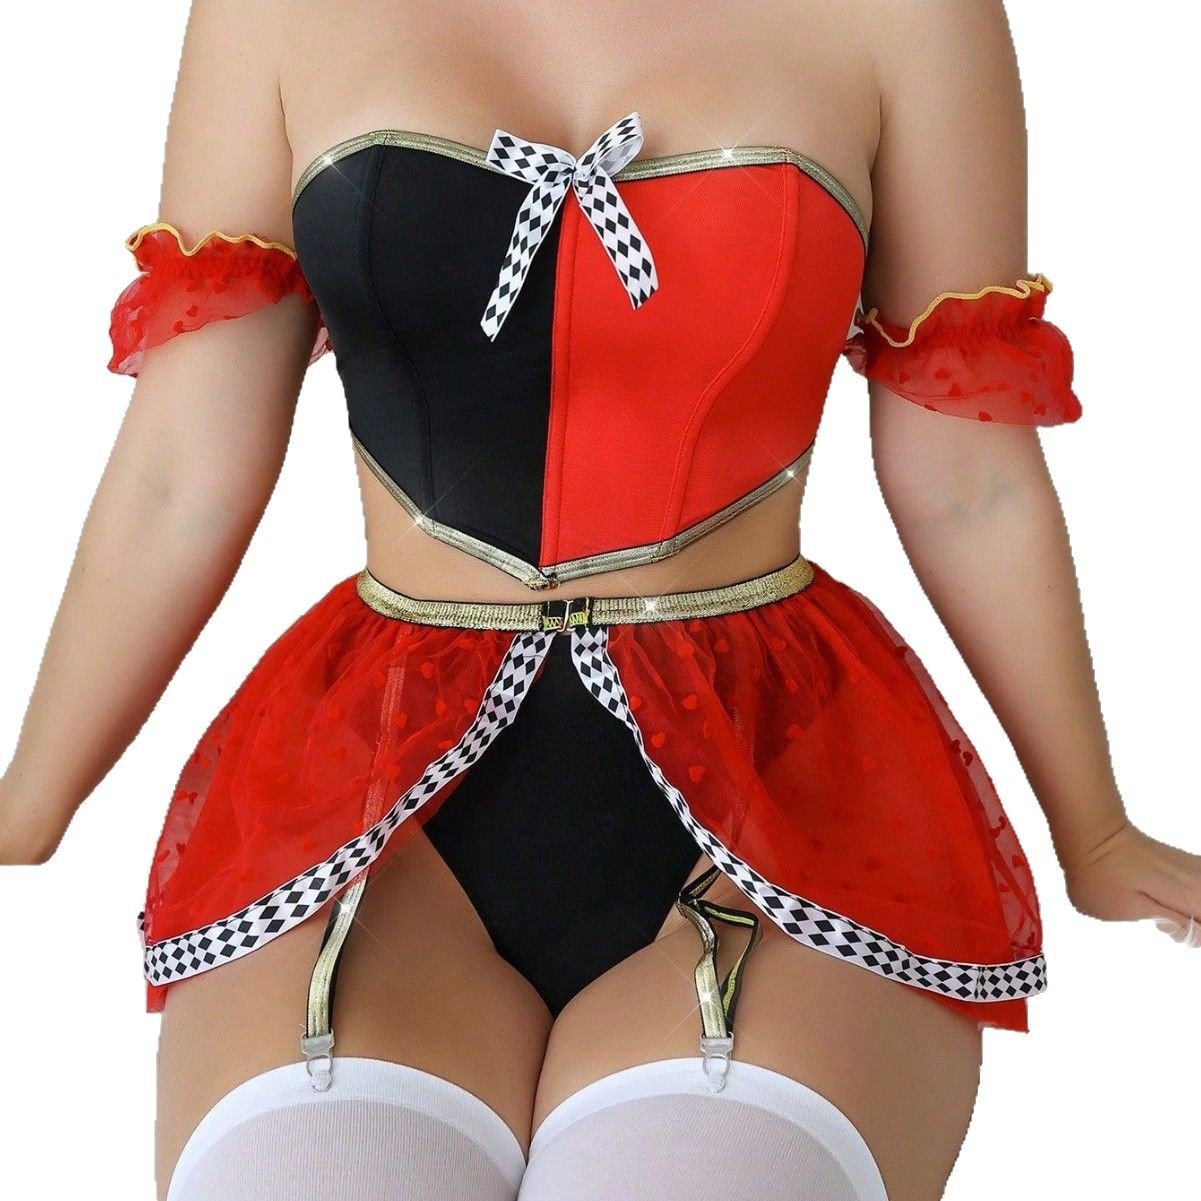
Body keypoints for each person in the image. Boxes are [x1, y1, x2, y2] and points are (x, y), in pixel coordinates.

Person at [2, 2, 1198, 1199]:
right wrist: (31, 797)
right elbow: (182, 472)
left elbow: (969, 483)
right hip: (376, 785)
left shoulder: (909, 16)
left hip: (781, 781)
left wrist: (1092, 829)